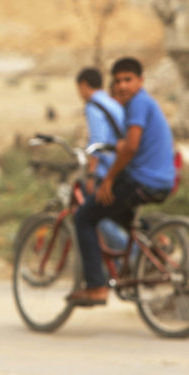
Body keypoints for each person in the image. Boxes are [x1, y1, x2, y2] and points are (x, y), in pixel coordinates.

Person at [69, 57, 175, 307]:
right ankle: (154, 242)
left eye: (128, 80)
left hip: (141, 179)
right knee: (115, 209)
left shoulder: (136, 104)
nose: (123, 86)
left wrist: (106, 179)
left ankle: (96, 286)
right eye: (118, 81)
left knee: (84, 216)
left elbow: (131, 147)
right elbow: (130, 144)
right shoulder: (140, 103)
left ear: (141, 81)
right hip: (161, 179)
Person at [76, 67, 127, 252]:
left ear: (83, 86)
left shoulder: (93, 106)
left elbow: (97, 143)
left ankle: (132, 253)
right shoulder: (111, 102)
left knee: (88, 215)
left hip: (109, 170)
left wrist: (91, 174)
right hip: (124, 165)